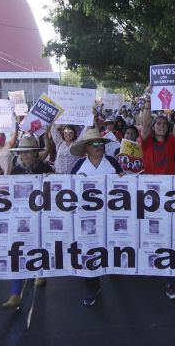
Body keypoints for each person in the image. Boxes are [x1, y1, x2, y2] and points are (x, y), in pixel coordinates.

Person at [69, 127, 123, 306]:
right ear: (86, 148)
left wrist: (124, 178)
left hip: (110, 217)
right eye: (94, 144)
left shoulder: (114, 164)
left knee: (111, 247)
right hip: (87, 219)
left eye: (100, 143)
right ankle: (93, 286)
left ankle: (114, 269)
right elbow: (69, 192)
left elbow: (124, 188)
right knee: (89, 251)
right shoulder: (78, 166)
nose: (99, 146)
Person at [141, 86, 175, 299]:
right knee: (151, 233)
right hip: (149, 195)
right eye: (158, 123)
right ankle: (150, 264)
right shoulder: (146, 143)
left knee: (168, 236)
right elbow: (146, 124)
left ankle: (169, 281)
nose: (159, 126)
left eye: (163, 124)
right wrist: (148, 101)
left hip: (168, 196)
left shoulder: (172, 144)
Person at [0, 136, 53, 308]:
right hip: (21, 217)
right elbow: (8, 189)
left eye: (28, 151)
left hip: (40, 217)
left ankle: (40, 271)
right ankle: (15, 294)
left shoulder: (45, 168)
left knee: (39, 246)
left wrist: (53, 177)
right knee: (19, 252)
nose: (25, 155)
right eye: (22, 152)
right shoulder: (15, 171)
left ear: (35, 153)